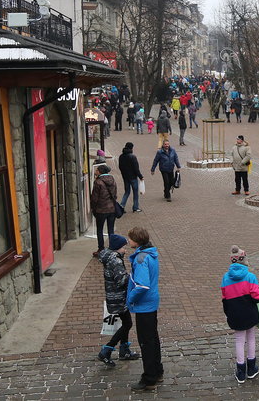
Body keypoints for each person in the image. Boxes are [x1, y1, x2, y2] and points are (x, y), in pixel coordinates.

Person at [126, 227, 162, 391]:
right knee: (153, 339)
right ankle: (157, 370)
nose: (128, 241)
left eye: (130, 238)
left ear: (137, 240)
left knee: (146, 342)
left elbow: (142, 285)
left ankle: (149, 378)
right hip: (151, 302)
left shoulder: (141, 258)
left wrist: (130, 299)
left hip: (144, 305)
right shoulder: (150, 254)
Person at [97, 234, 141, 367]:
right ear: (117, 248)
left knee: (125, 322)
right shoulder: (115, 260)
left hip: (115, 296)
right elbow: (121, 280)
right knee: (127, 324)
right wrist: (133, 276)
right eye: (123, 247)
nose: (125, 250)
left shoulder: (109, 256)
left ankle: (124, 350)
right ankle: (107, 350)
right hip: (119, 297)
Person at [222, 246, 259, 383]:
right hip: (250, 312)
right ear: (244, 260)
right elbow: (257, 298)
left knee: (239, 340)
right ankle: (251, 368)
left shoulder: (225, 278)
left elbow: (224, 297)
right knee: (251, 338)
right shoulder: (251, 277)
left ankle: (240, 371)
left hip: (235, 313)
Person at [91, 164, 118, 258]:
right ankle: (112, 248)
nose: (95, 171)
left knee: (100, 230)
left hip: (101, 209)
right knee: (111, 230)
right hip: (112, 209)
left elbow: (94, 198)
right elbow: (115, 194)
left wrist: (93, 208)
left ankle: (101, 249)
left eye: (97, 170)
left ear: (100, 171)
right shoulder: (112, 179)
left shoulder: (98, 182)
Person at [118, 142, 144, 213]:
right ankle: (135, 207)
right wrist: (140, 176)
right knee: (135, 193)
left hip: (125, 177)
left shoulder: (121, 156)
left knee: (127, 192)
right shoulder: (132, 157)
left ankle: (121, 206)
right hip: (133, 177)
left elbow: (120, 167)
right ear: (131, 148)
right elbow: (136, 168)